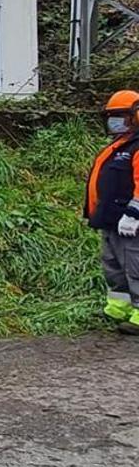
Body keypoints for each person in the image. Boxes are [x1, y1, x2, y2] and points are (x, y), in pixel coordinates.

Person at [86, 90, 139, 334]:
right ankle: (119, 308)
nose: (114, 121)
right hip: (111, 220)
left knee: (135, 266)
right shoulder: (119, 146)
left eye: (120, 116)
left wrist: (134, 214)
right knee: (113, 265)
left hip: (130, 223)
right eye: (112, 116)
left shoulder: (136, 146)